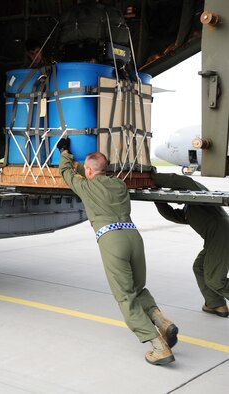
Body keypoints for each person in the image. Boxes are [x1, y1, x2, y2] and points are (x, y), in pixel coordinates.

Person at [58, 138, 178, 366]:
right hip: (133, 237)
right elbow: (96, 171)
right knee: (138, 288)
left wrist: (64, 151)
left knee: (125, 296)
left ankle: (157, 345)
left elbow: (65, 172)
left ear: (88, 171)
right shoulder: (120, 184)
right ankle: (162, 322)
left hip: (112, 240)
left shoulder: (86, 185)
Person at [151, 172, 229, 318]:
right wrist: (158, 198)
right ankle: (215, 303)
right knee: (199, 267)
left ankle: (216, 302)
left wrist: (152, 178)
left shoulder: (199, 194)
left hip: (223, 236)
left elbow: (181, 180)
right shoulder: (190, 210)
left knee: (216, 280)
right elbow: (171, 215)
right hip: (215, 240)